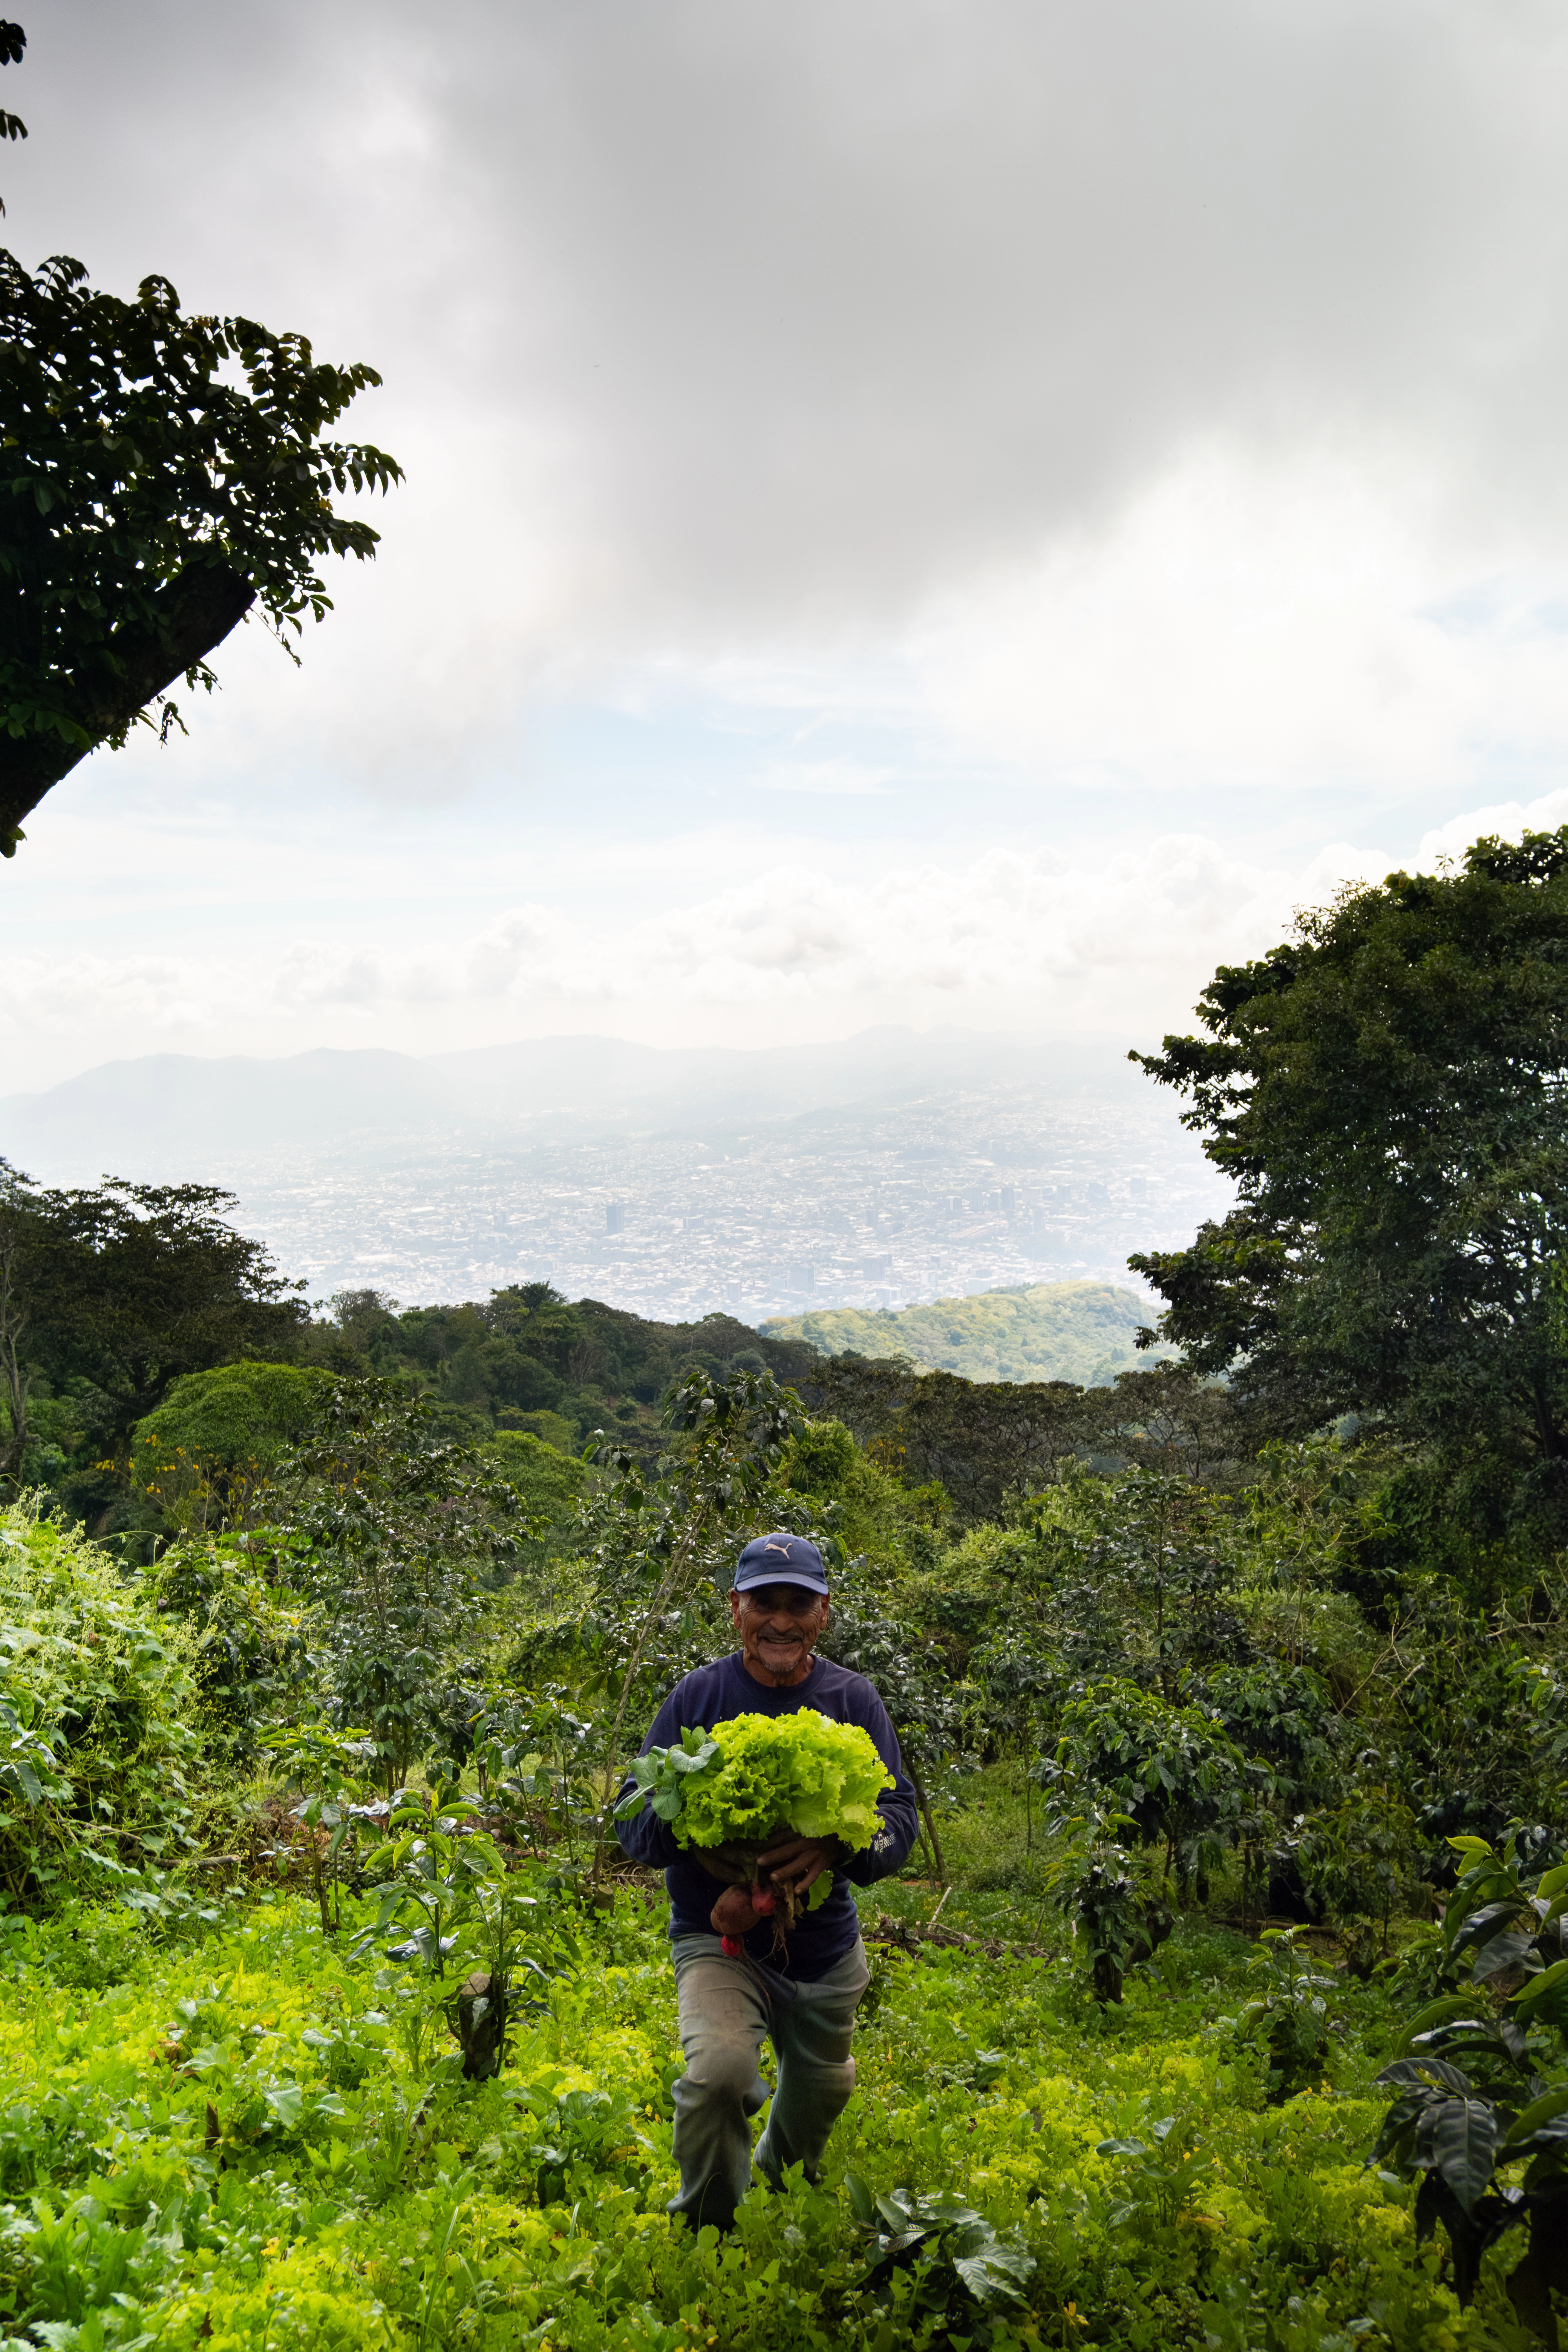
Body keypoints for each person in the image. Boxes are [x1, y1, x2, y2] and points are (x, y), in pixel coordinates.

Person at [616, 1531, 919, 2231]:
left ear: (824, 1613)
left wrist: (836, 1847)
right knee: (718, 2076)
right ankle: (711, 2230)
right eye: (764, 1603)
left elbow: (894, 1816)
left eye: (799, 1604)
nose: (781, 1620)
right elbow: (633, 1815)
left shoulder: (853, 1698)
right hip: (717, 1941)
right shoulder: (700, 1695)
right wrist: (700, 1832)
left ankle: (781, 2189)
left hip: (823, 1946)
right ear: (736, 1609)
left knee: (823, 2087)